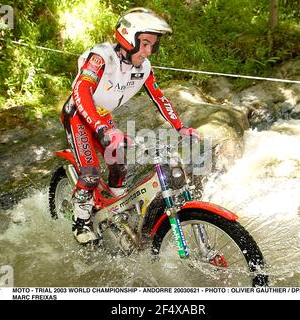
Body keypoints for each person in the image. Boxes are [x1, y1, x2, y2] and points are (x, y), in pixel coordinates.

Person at [61, 7, 199, 244]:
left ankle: (117, 211)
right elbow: (81, 90)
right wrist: (103, 129)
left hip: (102, 116)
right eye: (144, 43)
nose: (148, 51)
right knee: (91, 172)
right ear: (128, 38)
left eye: (152, 45)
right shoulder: (101, 57)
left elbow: (158, 96)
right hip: (79, 114)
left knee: (120, 164)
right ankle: (80, 220)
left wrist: (180, 127)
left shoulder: (144, 68)